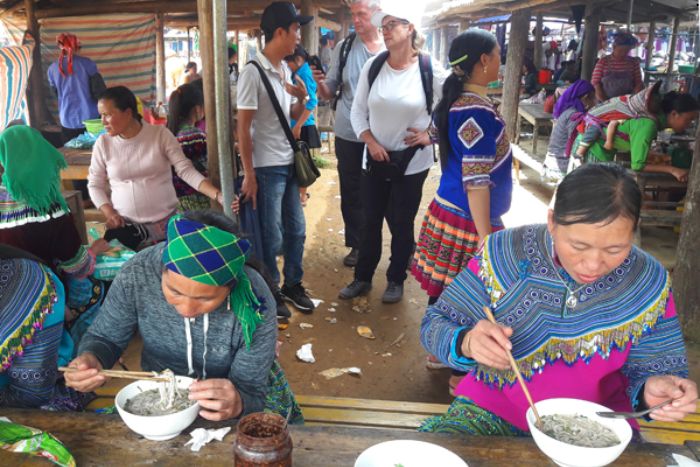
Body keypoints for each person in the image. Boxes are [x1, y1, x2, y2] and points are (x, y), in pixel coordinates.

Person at [420, 163, 697, 436]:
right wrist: (467, 342)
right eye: (578, 246)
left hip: (600, 424)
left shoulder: (646, 280)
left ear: (633, 231)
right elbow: (435, 325)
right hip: (493, 410)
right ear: (552, 222)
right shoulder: (505, 253)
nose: (593, 264)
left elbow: (659, 365)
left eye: (615, 248)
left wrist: (653, 390)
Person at [63, 211, 302, 423]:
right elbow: (105, 337)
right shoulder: (138, 273)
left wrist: (239, 401)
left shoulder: (254, 302)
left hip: (229, 400)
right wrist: (93, 357)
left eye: (206, 299)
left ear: (230, 287)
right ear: (162, 270)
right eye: (175, 291)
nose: (186, 310)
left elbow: (251, 390)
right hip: (160, 397)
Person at [411, 29, 512, 389]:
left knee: (445, 289)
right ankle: (460, 375)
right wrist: (486, 237)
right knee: (471, 295)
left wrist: (429, 136)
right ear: (483, 61)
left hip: (449, 210)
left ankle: (439, 353)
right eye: (498, 54)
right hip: (470, 219)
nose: (500, 60)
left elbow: (445, 135)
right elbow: (477, 180)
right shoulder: (476, 113)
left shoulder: (459, 104)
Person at [339, 3, 445, 304]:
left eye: (391, 26)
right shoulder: (374, 66)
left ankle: (396, 278)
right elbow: (358, 113)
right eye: (382, 27)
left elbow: (453, 105)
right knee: (369, 220)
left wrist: (431, 135)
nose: (384, 31)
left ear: (409, 28)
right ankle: (362, 277)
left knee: (401, 222)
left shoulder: (428, 68)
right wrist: (371, 142)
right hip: (374, 159)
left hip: (411, 164)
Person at [0, 126, 110, 355]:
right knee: (93, 289)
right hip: (39, 294)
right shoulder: (50, 207)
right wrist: (94, 251)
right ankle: (78, 358)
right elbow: (77, 266)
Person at [237, 2, 315, 317]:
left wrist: (300, 98)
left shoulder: (283, 69)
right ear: (280, 31)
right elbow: (242, 128)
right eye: (296, 29)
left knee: (296, 230)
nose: (299, 36)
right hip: (266, 168)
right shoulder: (252, 73)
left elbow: (290, 116)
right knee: (272, 235)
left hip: (288, 162)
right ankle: (271, 290)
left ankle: (293, 284)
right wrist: (249, 174)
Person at [88, 86, 223, 250]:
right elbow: (95, 184)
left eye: (108, 115)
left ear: (128, 113)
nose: (103, 122)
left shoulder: (160, 135)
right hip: (127, 229)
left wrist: (217, 195)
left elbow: (185, 170)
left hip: (166, 225)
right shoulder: (103, 144)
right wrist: (110, 213)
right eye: (101, 115)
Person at [313, 0, 385, 268]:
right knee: (352, 191)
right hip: (349, 132)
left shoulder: (391, 47)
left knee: (387, 190)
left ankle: (399, 244)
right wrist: (320, 85)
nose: (356, 19)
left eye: (361, 14)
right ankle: (357, 244)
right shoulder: (345, 48)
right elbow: (330, 89)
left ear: (376, 14)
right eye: (353, 14)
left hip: (384, 135)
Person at [576, 91, 699, 182]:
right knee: (590, 194)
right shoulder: (648, 125)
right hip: (592, 149)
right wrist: (673, 170)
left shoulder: (652, 121)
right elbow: (638, 165)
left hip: (599, 149)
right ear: (674, 114)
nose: (689, 124)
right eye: (688, 120)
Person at [47, 33, 106, 144]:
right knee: (92, 154)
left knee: (70, 153)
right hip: (90, 119)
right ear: (77, 47)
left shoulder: (52, 69)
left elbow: (56, 93)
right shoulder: (88, 64)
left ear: (60, 48)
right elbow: (100, 92)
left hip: (66, 120)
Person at [285, 45, 321, 206]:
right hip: (299, 123)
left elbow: (312, 101)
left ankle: (301, 197)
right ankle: (301, 195)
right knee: (299, 159)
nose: (286, 66)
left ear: (297, 60)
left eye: (288, 63)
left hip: (302, 124)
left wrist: (298, 125)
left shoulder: (304, 74)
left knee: (301, 161)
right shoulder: (301, 72)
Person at [167, 83, 211, 212]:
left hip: (179, 201)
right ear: (198, 109)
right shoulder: (193, 135)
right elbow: (209, 166)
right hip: (197, 198)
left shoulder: (172, 131)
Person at [542, 80, 596, 180]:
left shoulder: (569, 110)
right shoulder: (574, 116)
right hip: (558, 166)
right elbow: (576, 143)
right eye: (593, 99)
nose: (595, 102)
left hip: (551, 162)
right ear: (585, 98)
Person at [591, 31, 643, 102]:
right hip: (605, 101)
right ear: (614, 47)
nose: (623, 54)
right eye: (621, 51)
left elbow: (638, 83)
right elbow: (595, 83)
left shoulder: (634, 62)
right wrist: (605, 102)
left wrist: (632, 99)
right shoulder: (603, 62)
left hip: (627, 102)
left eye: (626, 51)